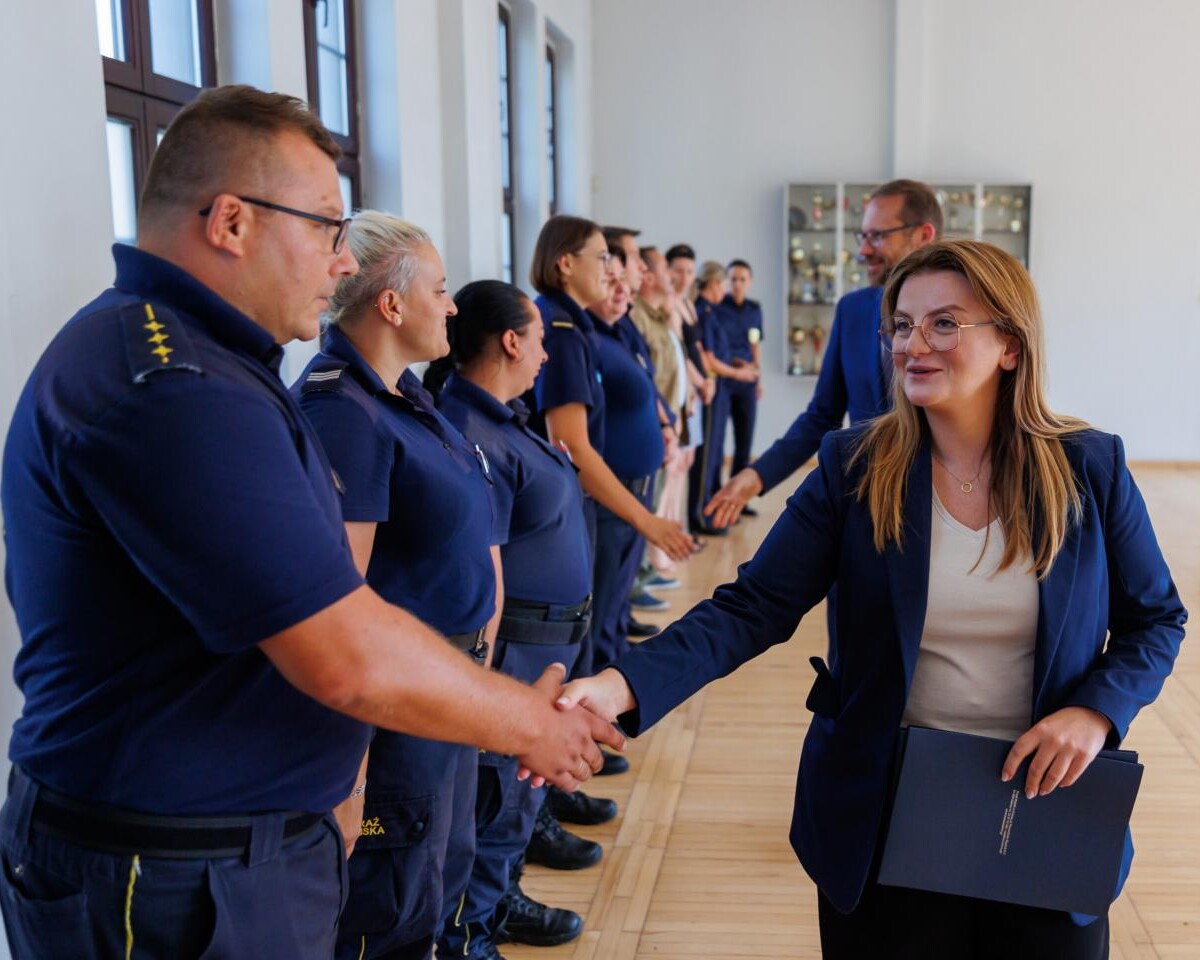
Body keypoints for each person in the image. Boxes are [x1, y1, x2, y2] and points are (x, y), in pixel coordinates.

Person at [0, 85, 620, 960]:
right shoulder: (175, 391)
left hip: (225, 848)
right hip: (176, 869)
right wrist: (529, 722)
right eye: (328, 228)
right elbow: (343, 645)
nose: (341, 263)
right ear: (230, 222)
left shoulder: (216, 365)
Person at [561, 240, 1187, 959]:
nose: (912, 344)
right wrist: (620, 684)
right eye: (901, 325)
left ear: (1010, 344)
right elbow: (752, 607)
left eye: (944, 324)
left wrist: (1095, 713)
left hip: (1044, 806)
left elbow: (1155, 619)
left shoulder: (1089, 465)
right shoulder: (854, 466)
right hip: (889, 809)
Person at [292, 211, 505, 959]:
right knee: (389, 910)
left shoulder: (405, 397)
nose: (453, 306)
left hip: (445, 691)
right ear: (391, 304)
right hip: (398, 710)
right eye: (441, 290)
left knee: (435, 886)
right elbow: (337, 608)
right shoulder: (342, 412)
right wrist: (348, 781)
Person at [428, 280, 596, 959]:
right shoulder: (471, 431)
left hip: (551, 639)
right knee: (498, 800)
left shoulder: (505, 416)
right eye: (539, 343)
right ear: (510, 341)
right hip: (517, 647)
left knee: (521, 800)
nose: (546, 359)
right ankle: (468, 936)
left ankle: (500, 905)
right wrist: (488, 683)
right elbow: (485, 572)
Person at [705, 179, 941, 527]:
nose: (863, 251)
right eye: (862, 237)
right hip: (868, 501)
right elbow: (822, 415)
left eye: (877, 236)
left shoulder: (966, 318)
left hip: (941, 505)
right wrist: (756, 476)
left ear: (923, 235)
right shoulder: (853, 310)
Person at [689, 261, 757, 536]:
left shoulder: (710, 312)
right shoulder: (704, 313)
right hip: (711, 388)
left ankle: (709, 509)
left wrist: (740, 365)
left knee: (715, 454)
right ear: (715, 284)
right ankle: (700, 516)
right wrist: (738, 375)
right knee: (707, 457)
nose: (729, 288)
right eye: (726, 282)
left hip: (718, 389)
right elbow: (707, 358)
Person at [717, 259, 763, 513]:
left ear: (749, 282)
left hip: (746, 382)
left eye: (742, 279)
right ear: (726, 281)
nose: (737, 284)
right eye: (733, 279)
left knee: (744, 442)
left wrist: (758, 377)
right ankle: (716, 496)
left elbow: (755, 344)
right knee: (718, 443)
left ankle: (738, 499)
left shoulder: (754, 310)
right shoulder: (717, 308)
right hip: (724, 380)